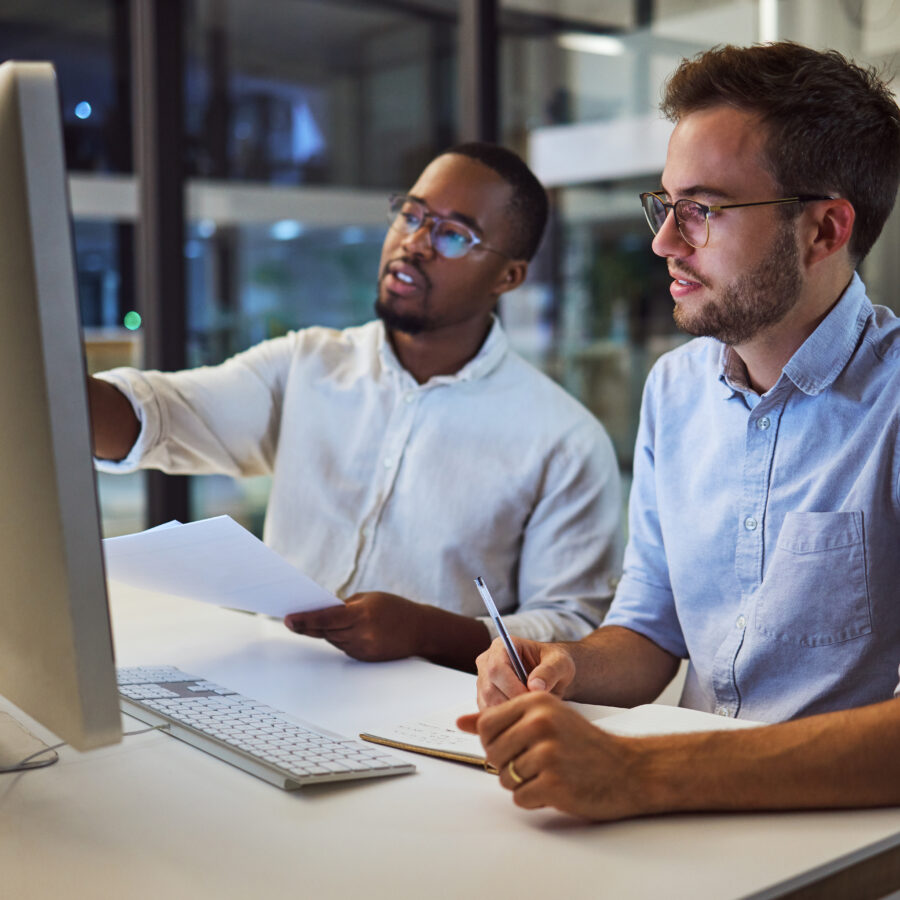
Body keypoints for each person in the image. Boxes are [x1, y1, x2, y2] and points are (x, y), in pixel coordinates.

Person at [459, 42, 900, 818]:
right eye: (665, 206)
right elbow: (651, 630)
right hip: (686, 819)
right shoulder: (675, 389)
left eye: (703, 210)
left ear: (826, 230)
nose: (665, 242)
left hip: (839, 841)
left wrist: (641, 774)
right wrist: (564, 663)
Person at [89, 142, 623, 672]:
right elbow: (157, 416)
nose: (415, 243)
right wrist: (46, 378)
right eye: (412, 214)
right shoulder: (307, 364)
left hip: (429, 714)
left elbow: (571, 627)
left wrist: (428, 633)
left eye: (454, 235)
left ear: (509, 277)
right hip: (274, 677)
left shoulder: (564, 438)